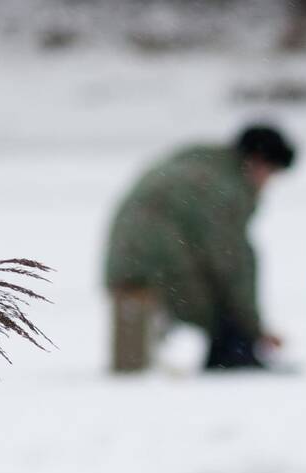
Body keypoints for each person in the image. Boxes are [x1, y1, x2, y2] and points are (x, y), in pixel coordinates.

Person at [104, 124, 295, 372]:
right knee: (228, 322)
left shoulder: (200, 163)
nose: (267, 184)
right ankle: (233, 364)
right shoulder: (225, 187)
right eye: (271, 173)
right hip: (158, 266)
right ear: (257, 161)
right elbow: (231, 262)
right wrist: (253, 329)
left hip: (126, 263)